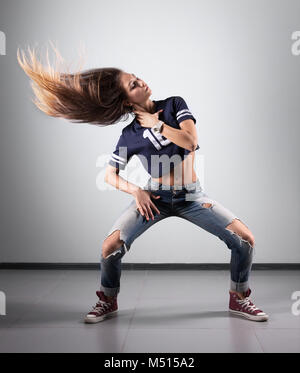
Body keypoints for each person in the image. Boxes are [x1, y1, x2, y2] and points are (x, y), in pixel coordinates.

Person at [17, 45, 269, 324]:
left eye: (136, 77)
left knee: (245, 239)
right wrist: (136, 190)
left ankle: (239, 297)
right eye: (133, 84)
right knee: (109, 247)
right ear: (126, 101)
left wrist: (157, 124)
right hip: (155, 199)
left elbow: (191, 142)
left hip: (193, 197)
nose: (141, 81)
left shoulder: (174, 105)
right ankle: (107, 300)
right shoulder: (130, 135)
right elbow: (109, 175)